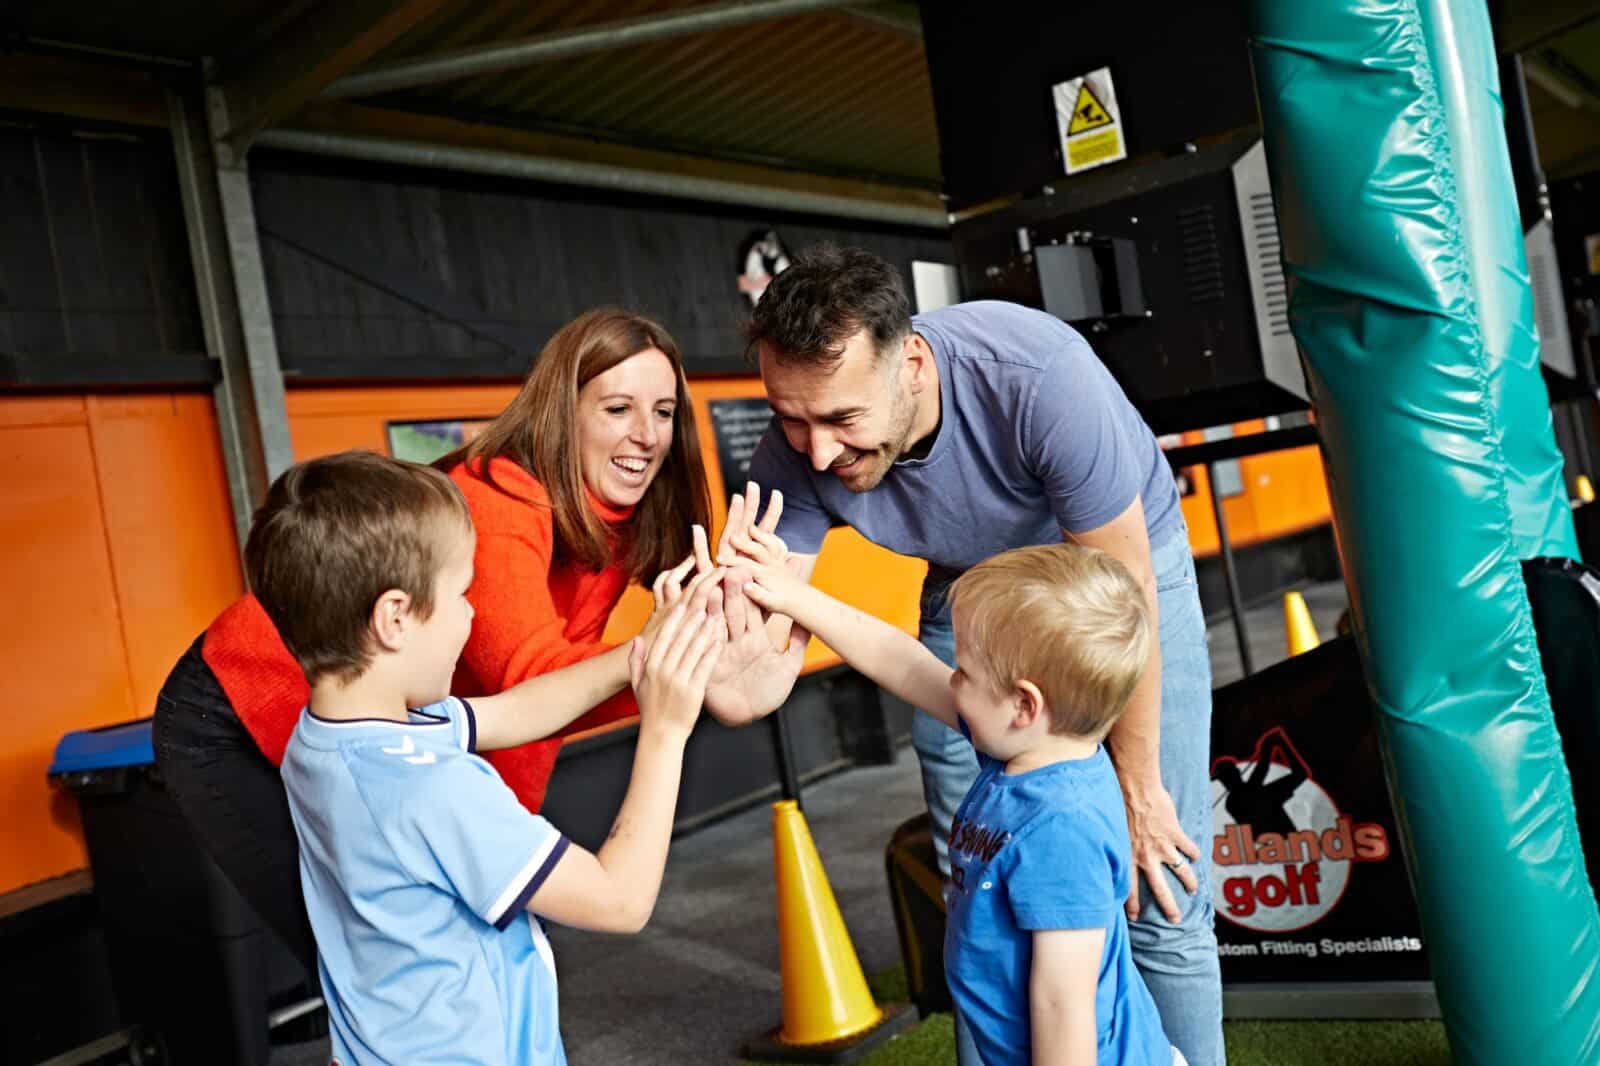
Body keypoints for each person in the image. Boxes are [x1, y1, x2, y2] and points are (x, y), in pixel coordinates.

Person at [153, 307, 799, 976]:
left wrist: (701, 652)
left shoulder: (619, 514)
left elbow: (525, 707)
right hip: (237, 705)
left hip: (407, 723)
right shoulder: (497, 504)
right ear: (561, 411)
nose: (646, 435)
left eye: (664, 412)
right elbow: (532, 679)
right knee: (366, 954)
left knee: (449, 944)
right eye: (617, 408)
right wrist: (679, 677)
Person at [739, 245, 1222, 1065]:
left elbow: (1125, 586)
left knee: (1160, 881)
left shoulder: (1037, 375)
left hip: (1112, 576)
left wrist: (1136, 790)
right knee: (982, 893)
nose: (814, 453)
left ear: (913, 366)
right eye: (791, 418)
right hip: (969, 589)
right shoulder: (798, 447)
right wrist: (714, 638)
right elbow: (773, 672)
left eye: (842, 421)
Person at [245, 449, 725, 1064]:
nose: (472, 613)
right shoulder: (431, 789)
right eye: (461, 592)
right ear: (394, 617)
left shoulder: (331, 737)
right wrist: (666, 729)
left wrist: (643, 653)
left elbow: (514, 712)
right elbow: (619, 900)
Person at [732, 537, 1180, 1065]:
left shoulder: (1061, 828)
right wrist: (794, 596)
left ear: (1024, 704)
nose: (951, 680)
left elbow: (1064, 1006)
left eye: (964, 672)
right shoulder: (1028, 750)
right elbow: (899, 660)